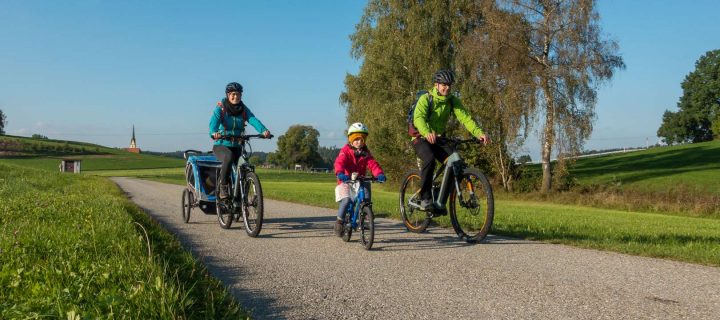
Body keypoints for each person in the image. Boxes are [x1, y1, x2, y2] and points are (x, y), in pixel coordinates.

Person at [412, 70, 489, 211]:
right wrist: (427, 132)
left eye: (449, 85)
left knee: (456, 165)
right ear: (436, 85)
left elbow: (465, 118)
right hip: (420, 137)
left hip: (439, 139)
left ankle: (440, 201)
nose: (447, 88)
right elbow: (418, 118)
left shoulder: (452, 101)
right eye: (444, 85)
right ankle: (425, 197)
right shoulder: (426, 99)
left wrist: (479, 133)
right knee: (429, 159)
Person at [209, 82, 271, 199]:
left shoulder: (243, 109)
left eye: (238, 94)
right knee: (229, 156)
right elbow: (213, 124)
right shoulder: (221, 108)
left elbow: (253, 119)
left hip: (238, 145)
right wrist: (214, 133)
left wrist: (264, 131)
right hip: (221, 145)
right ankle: (223, 187)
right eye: (233, 94)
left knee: (244, 164)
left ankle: (239, 200)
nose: (236, 97)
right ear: (228, 95)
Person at [333, 122, 386, 236]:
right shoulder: (345, 151)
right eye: (356, 139)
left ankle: (366, 213)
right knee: (346, 200)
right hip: (345, 180)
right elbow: (339, 162)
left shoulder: (365, 153)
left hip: (359, 180)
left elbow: (373, 164)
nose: (359, 142)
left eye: (362, 140)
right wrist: (340, 173)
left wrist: (379, 174)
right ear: (351, 140)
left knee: (366, 193)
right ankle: (339, 221)